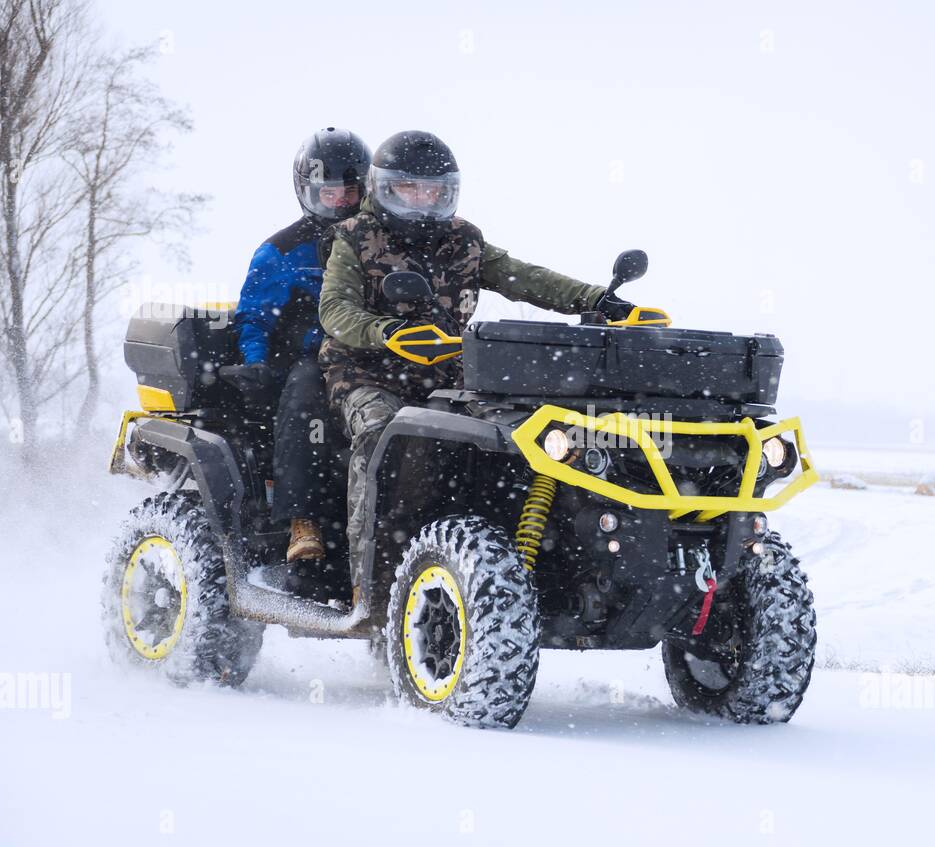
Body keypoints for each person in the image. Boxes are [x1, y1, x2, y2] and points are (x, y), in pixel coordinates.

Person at [317, 130, 634, 601]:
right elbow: (335, 309)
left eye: (434, 190)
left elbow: (527, 278)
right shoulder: (355, 236)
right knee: (379, 433)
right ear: (383, 188)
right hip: (366, 372)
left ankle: (521, 560)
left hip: (450, 374)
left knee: (520, 435)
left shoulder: (463, 238)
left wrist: (601, 301)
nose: (423, 200)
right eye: (409, 188)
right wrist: (388, 333)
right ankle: (369, 583)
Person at [225, 127, 372, 561]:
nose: (342, 202)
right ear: (307, 191)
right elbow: (253, 317)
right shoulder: (281, 251)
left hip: (375, 356)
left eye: (351, 192)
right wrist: (254, 361)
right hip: (309, 359)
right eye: (330, 194)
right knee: (305, 395)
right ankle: (302, 521)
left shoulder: (380, 242)